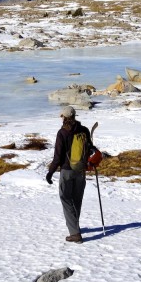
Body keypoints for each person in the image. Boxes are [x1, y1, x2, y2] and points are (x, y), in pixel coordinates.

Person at [46, 105, 91, 244]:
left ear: (64, 117)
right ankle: (75, 226)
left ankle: (75, 234)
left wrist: (50, 172)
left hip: (67, 171)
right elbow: (89, 149)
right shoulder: (84, 130)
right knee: (76, 200)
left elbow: (58, 157)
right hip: (81, 171)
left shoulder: (62, 133)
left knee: (65, 199)